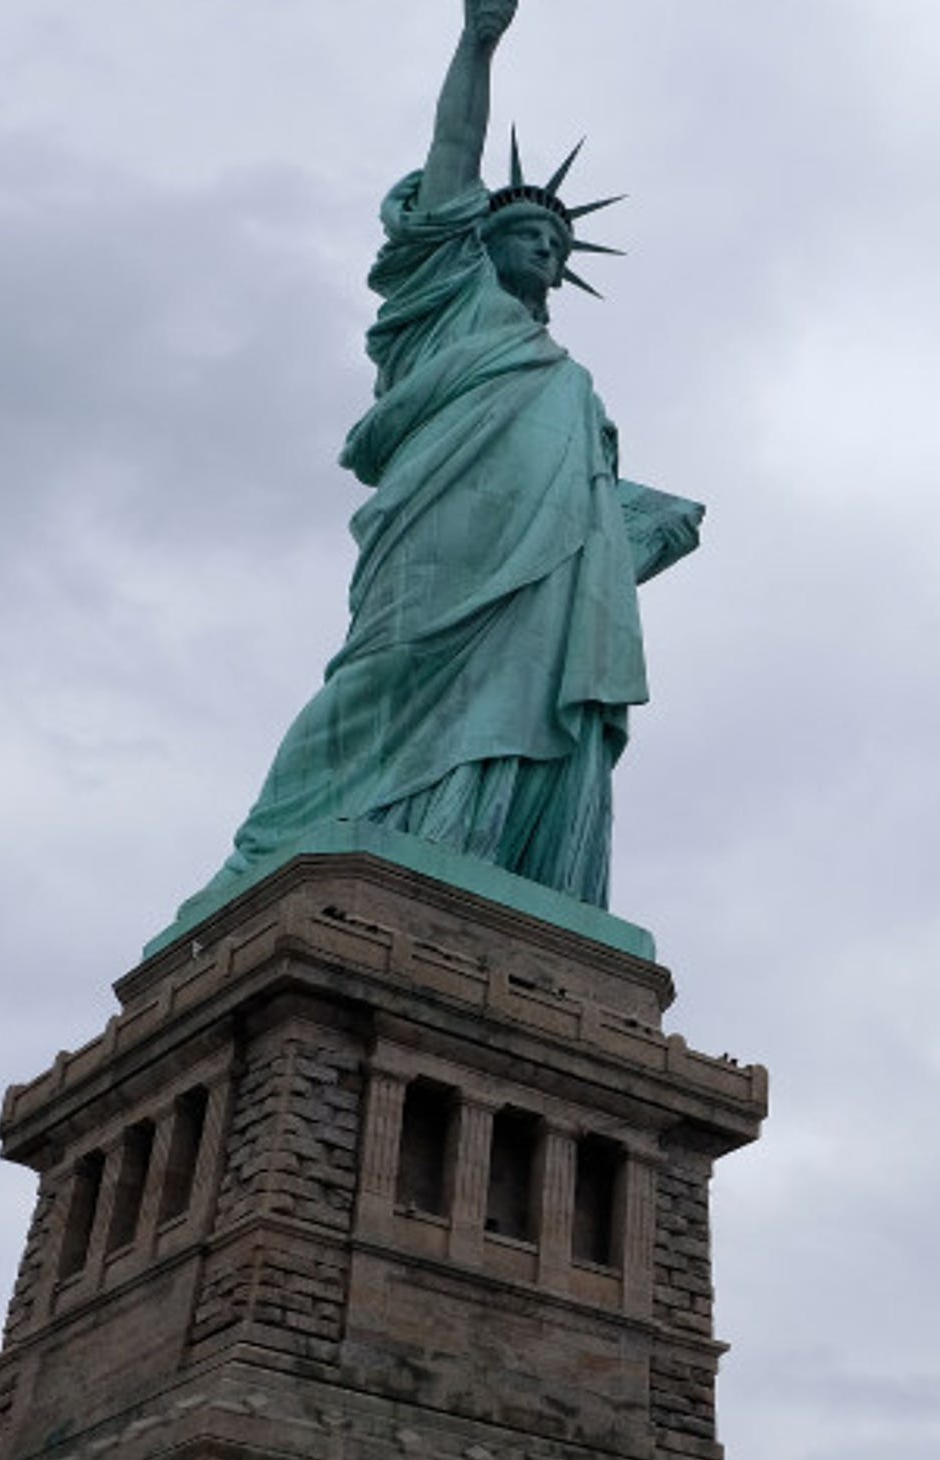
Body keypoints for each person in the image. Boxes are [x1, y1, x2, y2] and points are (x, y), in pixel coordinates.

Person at [185, 0, 698, 916]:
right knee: (384, 668)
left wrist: (640, 528)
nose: (545, 246)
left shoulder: (567, 381)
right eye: (526, 234)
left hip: (544, 569)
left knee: (529, 689)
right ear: (474, 244)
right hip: (440, 529)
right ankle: (273, 848)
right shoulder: (447, 304)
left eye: (557, 241)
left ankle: (486, 852)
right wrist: (479, 40)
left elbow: (597, 506)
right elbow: (454, 154)